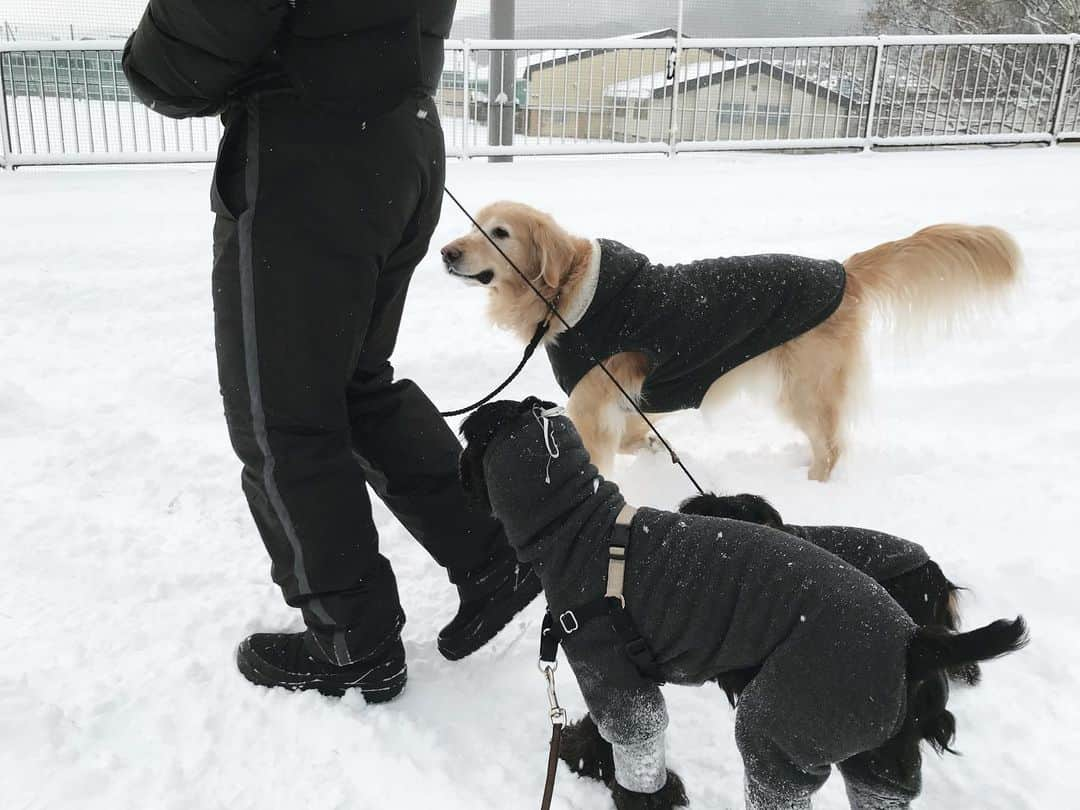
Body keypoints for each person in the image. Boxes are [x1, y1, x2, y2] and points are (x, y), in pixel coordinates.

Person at [122, 0, 540, 702]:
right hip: (400, 141)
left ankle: (353, 639)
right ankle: (490, 551)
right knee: (354, 386)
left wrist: (145, 61)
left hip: (306, 160)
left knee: (282, 416)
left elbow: (184, 57)